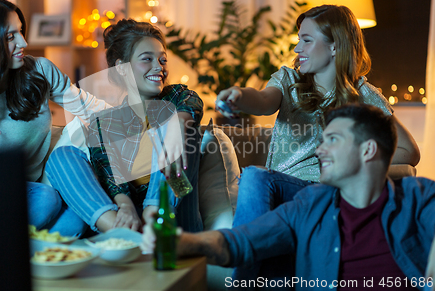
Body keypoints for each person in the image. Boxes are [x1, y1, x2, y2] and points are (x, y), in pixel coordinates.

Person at [215, 5, 420, 282]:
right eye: (298, 39)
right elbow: (263, 101)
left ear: (335, 46)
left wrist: (352, 164)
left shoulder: (363, 95)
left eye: (307, 40)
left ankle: (240, 284)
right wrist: (239, 95)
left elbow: (409, 151)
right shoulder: (289, 80)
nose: (298, 48)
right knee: (257, 183)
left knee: (255, 178)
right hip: (285, 192)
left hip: (328, 194)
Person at [142, 103, 435, 291]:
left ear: (368, 150)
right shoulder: (311, 205)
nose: (319, 150)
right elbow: (239, 242)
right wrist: (182, 242)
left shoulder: (418, 198)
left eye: (332, 140)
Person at [0, 0, 108, 236]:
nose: (23, 42)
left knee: (74, 223)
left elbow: (87, 106)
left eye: (20, 31)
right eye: (10, 37)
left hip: (38, 184)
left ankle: (9, 248)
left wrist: (143, 117)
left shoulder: (39, 71)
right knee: (47, 200)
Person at [45, 19, 204, 233]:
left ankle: (155, 214)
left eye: (162, 59)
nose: (159, 67)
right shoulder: (104, 123)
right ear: (121, 68)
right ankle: (119, 230)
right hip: (131, 218)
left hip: (175, 214)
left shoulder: (177, 97)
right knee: (61, 156)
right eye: (147, 59)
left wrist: (177, 126)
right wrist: (126, 207)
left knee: (179, 124)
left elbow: (191, 102)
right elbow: (110, 177)